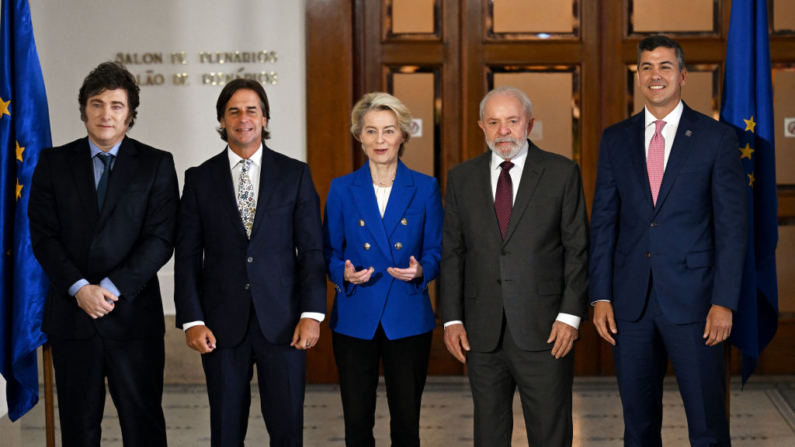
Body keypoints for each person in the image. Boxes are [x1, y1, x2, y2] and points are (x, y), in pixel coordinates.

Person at [589, 35, 747, 447]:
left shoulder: (716, 138)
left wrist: (724, 301)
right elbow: (603, 222)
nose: (654, 75)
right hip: (630, 306)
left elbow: (732, 227)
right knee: (638, 428)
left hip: (698, 304)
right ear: (638, 77)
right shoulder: (615, 138)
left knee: (708, 426)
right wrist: (600, 296)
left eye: (663, 66)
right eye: (646, 67)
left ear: (682, 75)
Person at [28, 61, 177, 447]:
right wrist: (80, 288)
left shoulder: (157, 164)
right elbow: (43, 237)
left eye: (116, 105)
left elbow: (160, 239)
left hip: (133, 317)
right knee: (78, 428)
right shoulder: (52, 163)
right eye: (96, 104)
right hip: (73, 316)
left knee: (143, 426)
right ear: (83, 110)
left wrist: (109, 288)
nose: (105, 114)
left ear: (130, 115)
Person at [174, 78, 326, 447]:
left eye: (252, 110)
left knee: (287, 427)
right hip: (220, 325)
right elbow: (188, 256)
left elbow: (310, 250)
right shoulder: (198, 179)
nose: (244, 118)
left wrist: (313, 314)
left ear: (265, 118)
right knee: (225, 431)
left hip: (285, 322)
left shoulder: (295, 174)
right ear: (222, 120)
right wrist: (192, 320)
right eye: (234, 111)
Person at [440, 86, 589, 446]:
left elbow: (578, 249)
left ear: (530, 124)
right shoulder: (462, 178)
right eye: (494, 122)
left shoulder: (562, 172)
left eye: (512, 121)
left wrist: (570, 316)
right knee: (488, 434)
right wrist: (452, 318)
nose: (503, 131)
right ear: (482, 126)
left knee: (550, 433)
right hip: (481, 331)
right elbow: (453, 253)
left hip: (546, 329)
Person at [323, 92, 443, 446]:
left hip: (407, 315)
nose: (380, 140)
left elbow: (437, 249)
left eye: (388, 131)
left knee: (407, 423)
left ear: (403, 135)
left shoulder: (425, 187)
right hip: (355, 314)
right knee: (357, 423)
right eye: (371, 131)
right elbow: (327, 251)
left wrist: (423, 270)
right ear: (359, 136)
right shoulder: (342, 189)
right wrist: (341, 274)